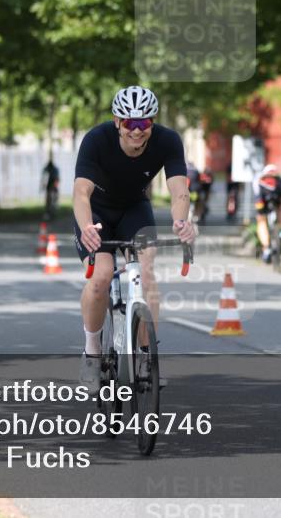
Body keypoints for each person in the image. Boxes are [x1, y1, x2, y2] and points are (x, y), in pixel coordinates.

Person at [73, 85, 196, 390]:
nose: (137, 130)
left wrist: (182, 222)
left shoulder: (168, 140)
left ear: (152, 122)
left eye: (144, 122)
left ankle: (145, 357)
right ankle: (92, 352)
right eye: (130, 122)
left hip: (134, 210)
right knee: (101, 276)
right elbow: (81, 192)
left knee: (146, 270)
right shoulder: (96, 140)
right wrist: (86, 226)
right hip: (96, 213)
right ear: (117, 121)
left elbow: (179, 190)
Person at [254, 163, 281, 263]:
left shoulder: (260, 179)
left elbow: (256, 193)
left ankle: (266, 249)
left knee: (261, 220)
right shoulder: (280, 179)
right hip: (276, 200)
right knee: (280, 209)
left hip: (263, 201)